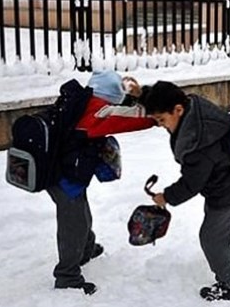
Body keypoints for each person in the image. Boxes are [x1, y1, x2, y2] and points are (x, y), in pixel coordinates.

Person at [139, 81, 230, 301]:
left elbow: (191, 184)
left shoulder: (199, 143)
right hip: (228, 181)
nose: (161, 125)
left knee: (211, 238)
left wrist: (166, 197)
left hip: (225, 190)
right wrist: (142, 94)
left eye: (162, 120)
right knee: (225, 216)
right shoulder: (194, 109)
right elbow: (164, 94)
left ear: (178, 110)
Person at [48, 70, 156, 295]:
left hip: (64, 173)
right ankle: (67, 275)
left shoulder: (82, 103)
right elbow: (135, 119)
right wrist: (158, 114)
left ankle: (86, 250)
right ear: (110, 96)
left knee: (81, 214)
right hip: (62, 177)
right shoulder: (97, 112)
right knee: (73, 223)